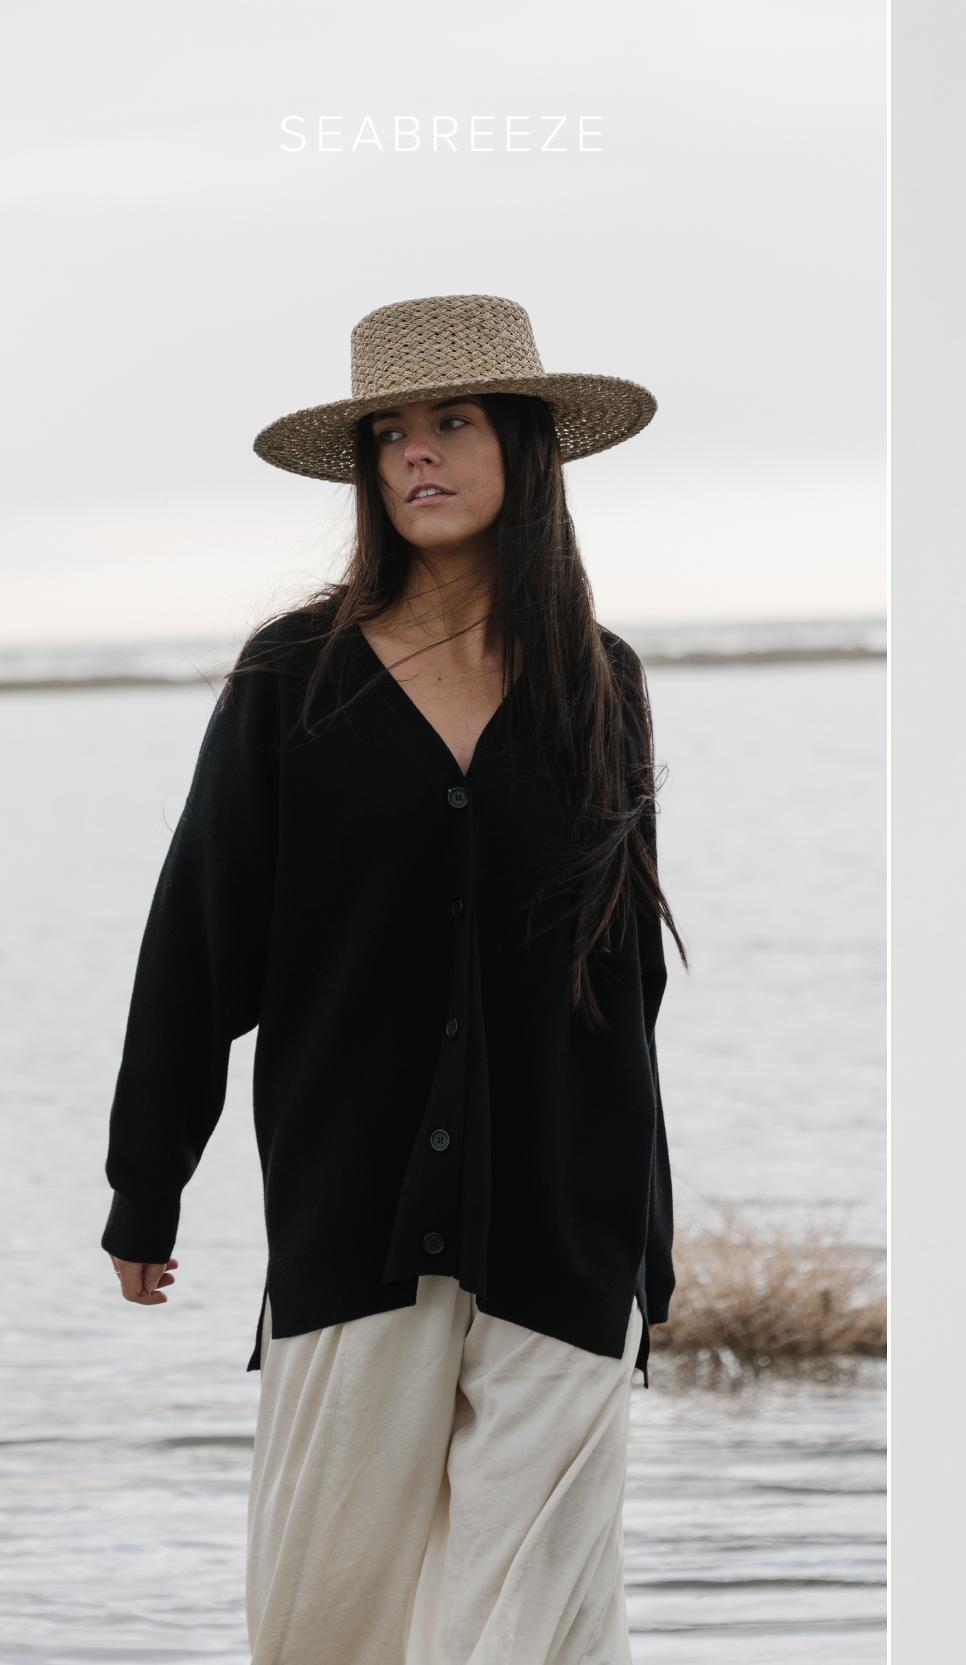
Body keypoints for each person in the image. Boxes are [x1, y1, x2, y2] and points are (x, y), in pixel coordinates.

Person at [97, 294, 683, 1663]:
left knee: (531, 1627)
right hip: (351, 1219)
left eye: (454, 421)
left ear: (523, 446)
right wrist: (146, 1177)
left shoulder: (600, 683)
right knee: (326, 1623)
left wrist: (646, 1237)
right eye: (392, 434)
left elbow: (627, 981)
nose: (418, 454)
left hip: (565, 1229)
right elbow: (197, 940)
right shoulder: (293, 680)